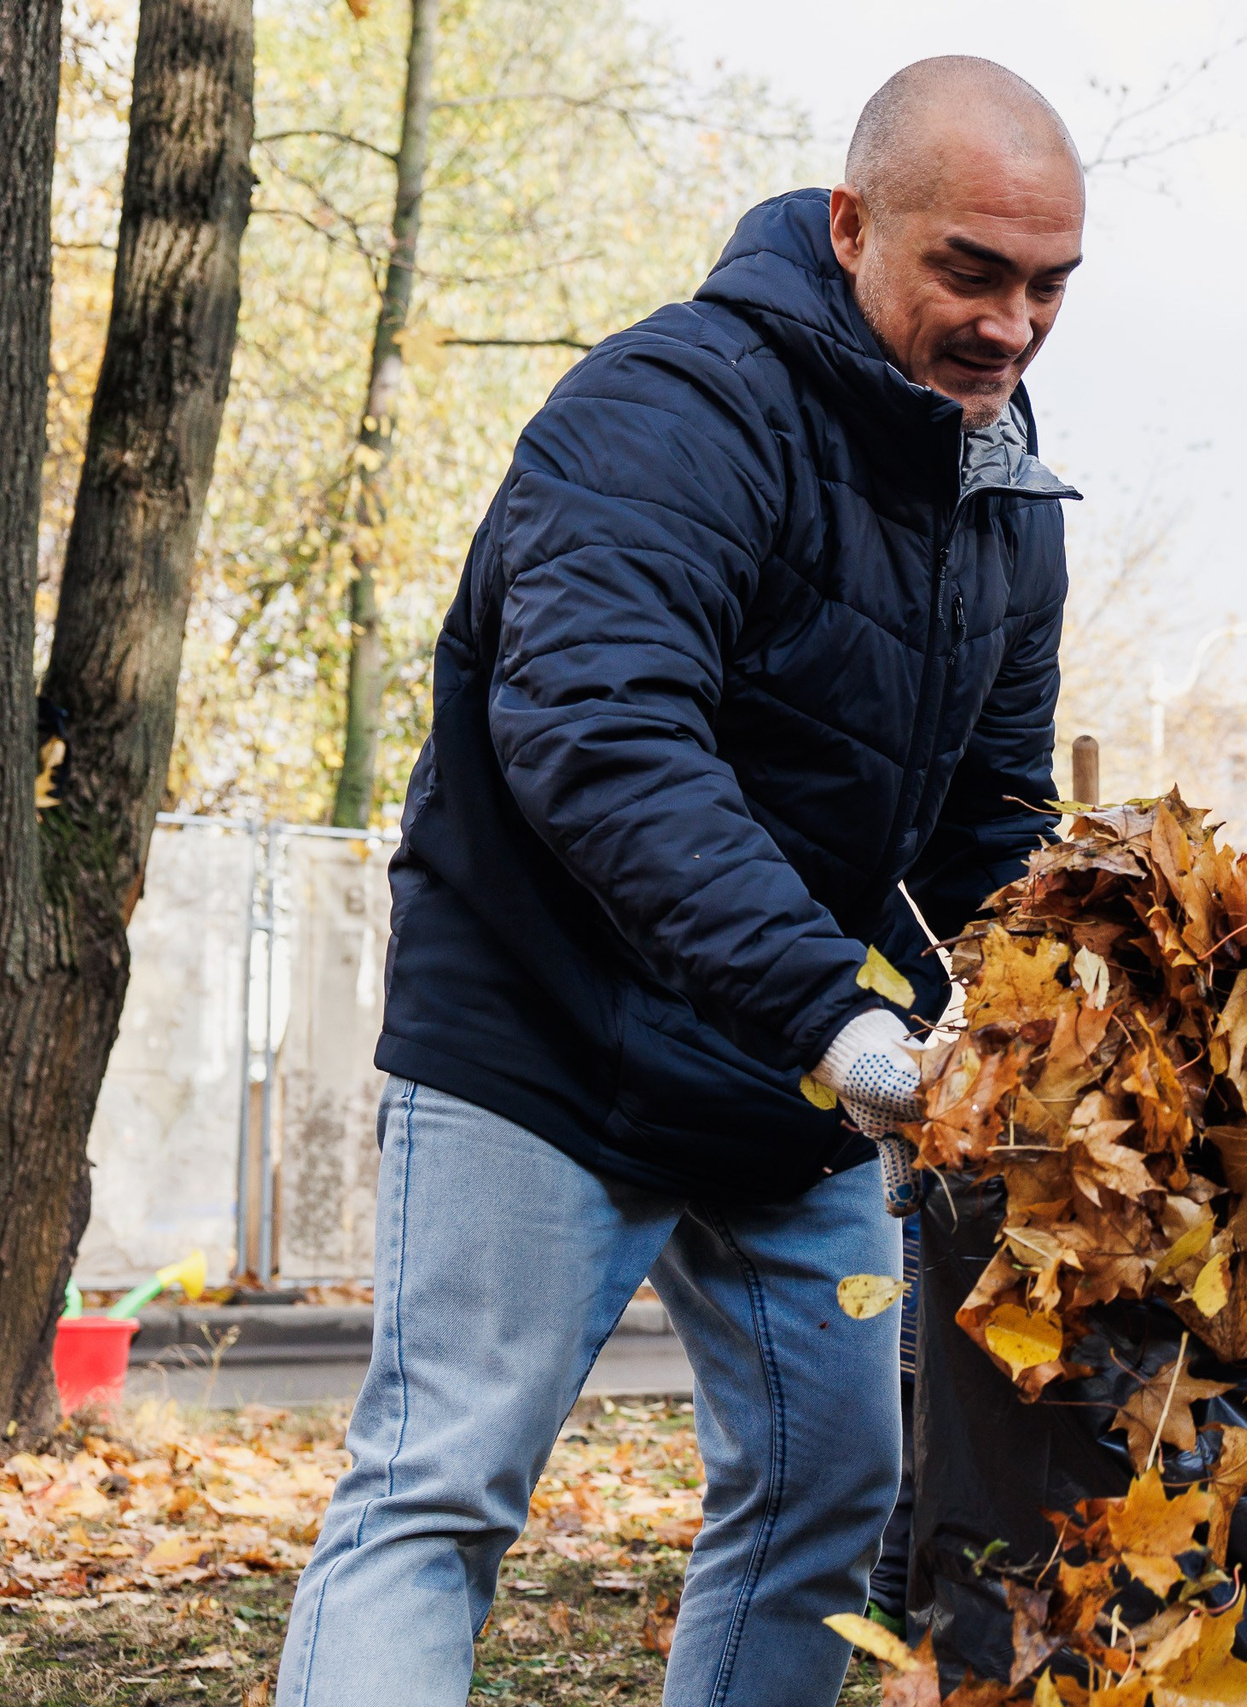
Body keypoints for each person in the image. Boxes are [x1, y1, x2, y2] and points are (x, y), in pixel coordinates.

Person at [275, 57, 1085, 1707]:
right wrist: (839, 1020)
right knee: (441, 1491)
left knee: (833, 1490)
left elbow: (986, 829)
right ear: (853, 225)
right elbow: (600, 735)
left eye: (1050, 286)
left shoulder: (1003, 496)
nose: (1012, 325)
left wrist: (1071, 1011)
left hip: (783, 1078)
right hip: (544, 1038)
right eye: (972, 273)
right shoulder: (671, 410)